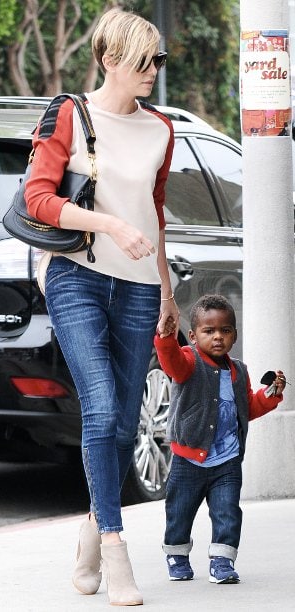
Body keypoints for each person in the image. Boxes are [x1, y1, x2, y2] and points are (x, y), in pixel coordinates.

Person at [23, 8, 177, 606]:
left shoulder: (162, 130)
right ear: (110, 59)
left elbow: (156, 215)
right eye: (144, 60)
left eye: (158, 61)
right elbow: (37, 198)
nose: (153, 71)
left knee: (121, 423)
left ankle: (92, 527)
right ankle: (115, 546)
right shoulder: (71, 114)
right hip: (76, 277)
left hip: (140, 286)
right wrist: (109, 223)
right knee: (102, 407)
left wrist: (166, 290)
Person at [154, 294, 286, 584]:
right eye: (209, 331)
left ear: (234, 335)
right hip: (189, 458)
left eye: (225, 331)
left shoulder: (239, 371)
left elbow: (246, 408)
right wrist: (165, 339)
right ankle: (176, 555)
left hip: (227, 459)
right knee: (179, 511)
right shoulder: (188, 361)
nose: (217, 337)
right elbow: (171, 362)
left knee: (227, 512)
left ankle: (222, 562)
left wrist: (270, 395)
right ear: (193, 335)